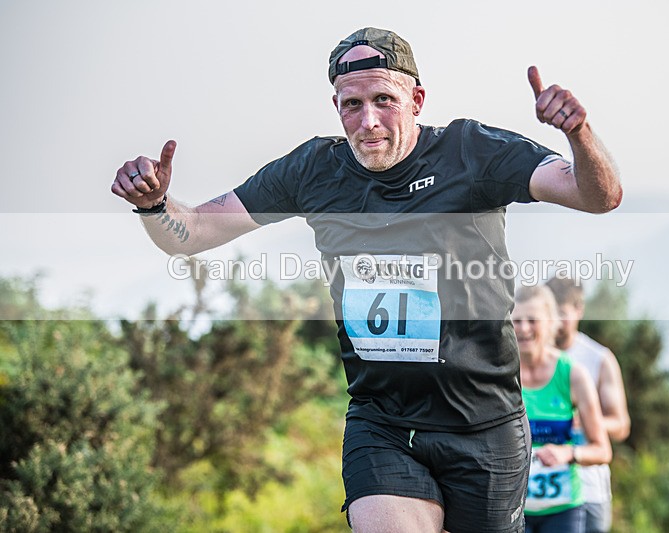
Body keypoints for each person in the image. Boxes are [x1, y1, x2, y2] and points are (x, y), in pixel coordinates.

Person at [111, 27, 622, 533]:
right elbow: (193, 231)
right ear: (336, 107)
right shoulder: (313, 170)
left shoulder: (472, 152)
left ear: (416, 100)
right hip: (383, 421)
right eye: (351, 104)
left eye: (384, 100)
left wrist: (578, 133)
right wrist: (154, 204)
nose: (368, 121)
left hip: (483, 424)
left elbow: (598, 196)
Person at [512, 285, 611, 533]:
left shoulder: (573, 374)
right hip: (513, 509)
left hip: (563, 511)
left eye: (532, 320)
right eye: (517, 321)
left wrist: (568, 453)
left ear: (550, 322)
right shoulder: (500, 375)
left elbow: (602, 450)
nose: (524, 328)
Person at [545, 277, 630, 533]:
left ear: (579, 309)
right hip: (541, 490)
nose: (555, 321)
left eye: (562, 313)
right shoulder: (530, 357)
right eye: (550, 313)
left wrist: (586, 419)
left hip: (589, 488)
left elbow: (621, 425)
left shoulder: (599, 358)